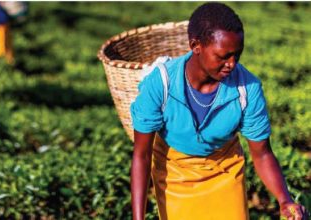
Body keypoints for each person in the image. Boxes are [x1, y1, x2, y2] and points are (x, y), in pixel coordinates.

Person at [130, 3, 308, 220]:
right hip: (174, 172)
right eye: (223, 56)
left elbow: (262, 153)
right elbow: (141, 154)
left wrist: (284, 199)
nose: (231, 64)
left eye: (237, 55)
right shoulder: (161, 83)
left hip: (225, 171)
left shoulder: (247, 88)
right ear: (196, 46)